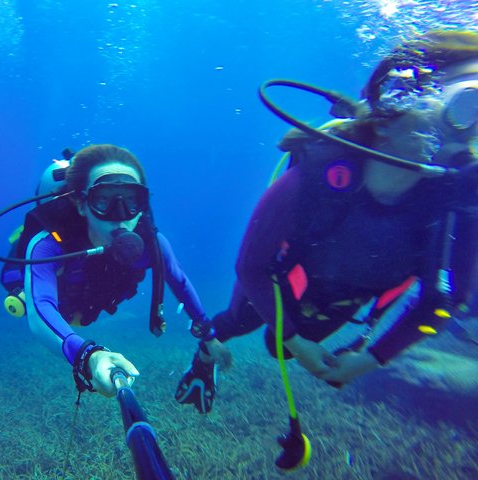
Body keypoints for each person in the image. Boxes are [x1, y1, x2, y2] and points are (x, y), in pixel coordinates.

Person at [176, 30, 478, 414]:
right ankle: (203, 361)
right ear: (390, 114)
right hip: (280, 278)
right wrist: (295, 340)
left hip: (341, 298)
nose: (470, 134)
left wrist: (371, 359)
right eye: (467, 105)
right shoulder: (319, 175)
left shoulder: (451, 204)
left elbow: (444, 301)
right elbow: (251, 267)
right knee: (239, 321)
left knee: (279, 350)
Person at [0, 144, 214, 398]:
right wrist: (88, 356)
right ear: (80, 204)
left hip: (89, 303)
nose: (120, 216)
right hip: (65, 301)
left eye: (131, 200)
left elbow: (179, 280)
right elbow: (40, 307)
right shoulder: (48, 244)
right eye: (103, 200)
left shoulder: (153, 244)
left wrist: (208, 335)